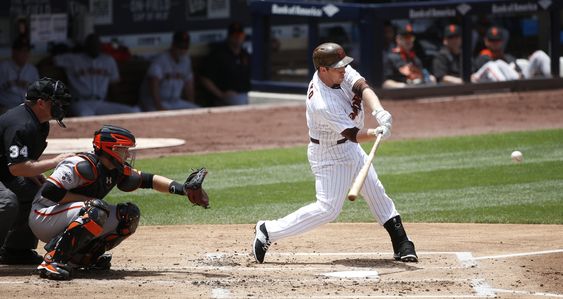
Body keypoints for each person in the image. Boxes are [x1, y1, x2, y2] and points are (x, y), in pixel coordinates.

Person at [252, 42, 418, 264]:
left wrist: (379, 111)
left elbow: (363, 87)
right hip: (329, 154)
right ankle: (268, 230)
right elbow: (353, 133)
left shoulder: (339, 70)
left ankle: (402, 242)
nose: (344, 69)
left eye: (343, 65)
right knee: (328, 209)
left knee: (376, 191)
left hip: (349, 147)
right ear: (323, 70)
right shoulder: (321, 102)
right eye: (338, 67)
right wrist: (376, 131)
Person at [28, 125, 208, 280]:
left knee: (129, 215)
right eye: (124, 149)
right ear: (110, 149)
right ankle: (52, 261)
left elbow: (149, 180)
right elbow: (50, 192)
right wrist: (89, 201)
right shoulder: (80, 164)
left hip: (70, 215)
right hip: (44, 215)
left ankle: (83, 257)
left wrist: (184, 190)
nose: (128, 153)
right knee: (96, 209)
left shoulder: (115, 169)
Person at [0, 77, 74, 265]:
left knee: (37, 194)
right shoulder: (22, 124)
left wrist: (34, 173)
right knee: (7, 202)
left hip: (4, 172)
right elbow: (17, 168)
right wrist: (55, 162)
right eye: (56, 101)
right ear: (41, 103)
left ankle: (17, 249)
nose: (61, 105)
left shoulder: (40, 123)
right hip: (7, 173)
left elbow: (20, 162)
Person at [53, 33, 140, 116]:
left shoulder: (108, 60)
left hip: (101, 103)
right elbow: (49, 61)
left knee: (134, 111)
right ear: (86, 46)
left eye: (97, 45)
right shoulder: (73, 59)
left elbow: (114, 86)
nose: (95, 47)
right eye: (92, 45)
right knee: (85, 116)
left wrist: (116, 102)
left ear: (100, 46)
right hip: (80, 102)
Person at [139, 31, 199, 111]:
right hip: (153, 102)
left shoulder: (186, 61)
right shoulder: (160, 60)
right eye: (180, 47)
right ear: (173, 45)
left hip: (175, 102)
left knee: (196, 110)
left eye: (185, 47)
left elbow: (189, 84)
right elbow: (153, 83)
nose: (182, 50)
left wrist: (192, 103)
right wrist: (159, 106)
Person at [471, 26, 551, 82]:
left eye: (497, 40)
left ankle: (554, 81)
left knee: (539, 55)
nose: (495, 43)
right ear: (486, 41)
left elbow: (519, 71)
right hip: (495, 84)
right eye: (492, 40)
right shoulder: (482, 57)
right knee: (496, 64)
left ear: (502, 41)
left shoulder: (508, 57)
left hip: (517, 80)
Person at [199, 22, 251, 106]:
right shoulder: (218, 54)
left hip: (246, 95)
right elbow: (204, 78)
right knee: (240, 103)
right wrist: (221, 94)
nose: (237, 38)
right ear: (229, 36)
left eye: (240, 35)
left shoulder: (245, 54)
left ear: (243, 36)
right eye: (234, 35)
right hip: (225, 97)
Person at [383, 23, 435, 88]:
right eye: (406, 37)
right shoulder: (390, 58)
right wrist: (403, 87)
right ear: (398, 39)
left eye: (411, 38)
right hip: (401, 93)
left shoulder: (415, 58)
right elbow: (386, 83)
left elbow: (423, 76)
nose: (409, 40)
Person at [0, 36, 39, 113]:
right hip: (6, 108)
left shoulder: (32, 70)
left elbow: (38, 92)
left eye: (27, 51)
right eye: (23, 51)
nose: (26, 54)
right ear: (14, 52)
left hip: (27, 108)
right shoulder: (3, 67)